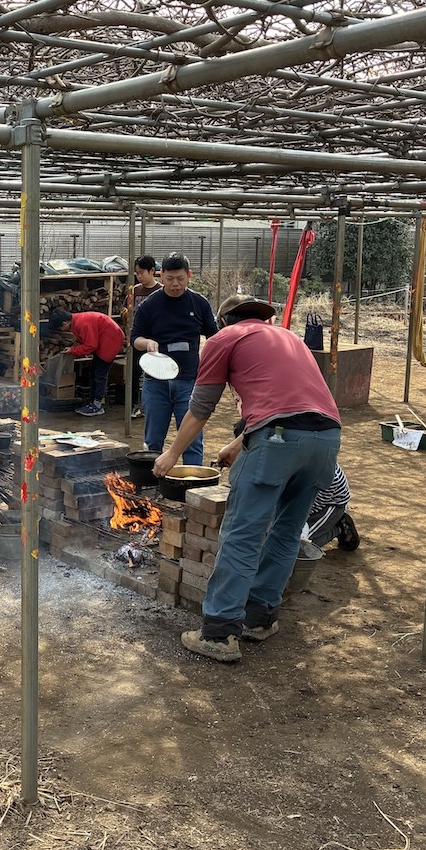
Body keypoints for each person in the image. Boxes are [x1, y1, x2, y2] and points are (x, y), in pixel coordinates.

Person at [154, 293, 341, 664]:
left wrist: (172, 454)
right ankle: (260, 618)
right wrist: (239, 444)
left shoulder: (225, 338)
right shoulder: (289, 338)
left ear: (225, 320)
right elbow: (294, 405)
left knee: (241, 535)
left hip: (278, 441)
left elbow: (200, 407)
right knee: (286, 532)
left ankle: (220, 633)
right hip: (326, 439)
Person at [130, 253, 218, 464]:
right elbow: (135, 338)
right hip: (155, 382)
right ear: (161, 275)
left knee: (192, 441)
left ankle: (191, 489)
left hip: (189, 382)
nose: (175, 284)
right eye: (169, 279)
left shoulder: (199, 303)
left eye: (180, 278)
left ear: (189, 275)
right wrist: (147, 343)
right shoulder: (150, 305)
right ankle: (150, 488)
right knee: (152, 441)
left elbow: (215, 338)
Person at [218, 426, 359, 552]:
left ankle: (338, 527)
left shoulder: (287, 457)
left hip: (328, 503)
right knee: (278, 536)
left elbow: (298, 499)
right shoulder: (264, 453)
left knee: (297, 546)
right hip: (299, 495)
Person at [48, 307, 125, 416]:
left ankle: (97, 404)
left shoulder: (82, 323)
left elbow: (91, 345)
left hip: (110, 342)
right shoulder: (77, 321)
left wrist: (73, 350)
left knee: (99, 375)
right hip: (105, 340)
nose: (63, 330)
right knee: (93, 373)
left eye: (61, 328)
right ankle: (93, 401)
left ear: (64, 323)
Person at [121, 255, 161, 419]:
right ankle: (134, 405)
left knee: (153, 373)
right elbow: (126, 311)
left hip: (155, 339)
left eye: (142, 272)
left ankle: (151, 405)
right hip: (137, 338)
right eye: (137, 273)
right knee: (134, 372)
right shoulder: (134, 291)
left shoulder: (161, 291)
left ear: (152, 271)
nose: (139, 276)